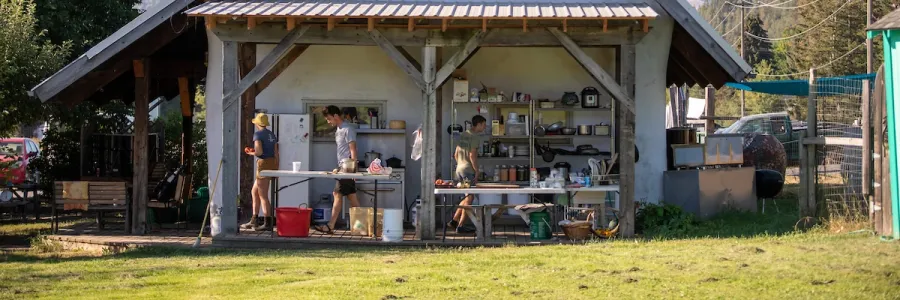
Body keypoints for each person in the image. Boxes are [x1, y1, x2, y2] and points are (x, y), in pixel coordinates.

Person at [316, 105, 359, 234]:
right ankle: (362, 225)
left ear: (335, 116)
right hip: (342, 167)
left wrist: (354, 169)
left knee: (337, 194)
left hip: (347, 168)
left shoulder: (348, 129)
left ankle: (331, 225)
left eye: (329, 118)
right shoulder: (338, 130)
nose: (328, 121)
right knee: (351, 197)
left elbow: (353, 149)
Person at [240, 113, 279, 231]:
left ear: (257, 123)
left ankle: (268, 222)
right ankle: (254, 219)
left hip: (263, 164)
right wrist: (276, 167)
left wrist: (250, 152)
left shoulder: (257, 134)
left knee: (263, 195)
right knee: (255, 191)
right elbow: (276, 152)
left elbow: (259, 152)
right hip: (272, 162)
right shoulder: (271, 134)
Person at [449, 115, 487, 234]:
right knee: (469, 198)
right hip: (468, 170)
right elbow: (472, 155)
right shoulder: (475, 137)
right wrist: (476, 170)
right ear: (479, 124)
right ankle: (460, 226)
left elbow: (455, 154)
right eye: (484, 124)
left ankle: (454, 221)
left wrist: (460, 164)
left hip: (459, 169)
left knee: (466, 197)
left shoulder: (464, 135)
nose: (484, 127)